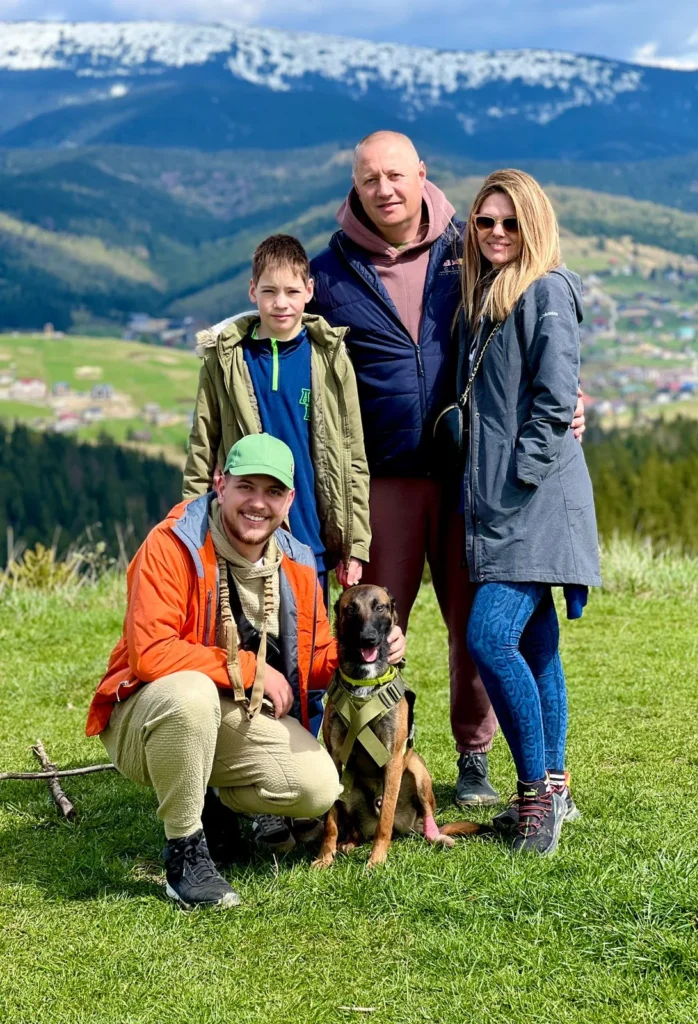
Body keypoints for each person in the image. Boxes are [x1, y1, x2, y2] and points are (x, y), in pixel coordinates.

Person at [309, 130, 586, 806]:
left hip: (472, 477)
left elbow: (535, 333)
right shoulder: (329, 273)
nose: (385, 189)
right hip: (385, 476)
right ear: (355, 185)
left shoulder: (469, 249)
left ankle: (475, 759)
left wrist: (570, 398)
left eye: (396, 175)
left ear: (422, 174)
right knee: (374, 618)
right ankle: (365, 757)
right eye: (370, 178)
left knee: (475, 624)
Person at [86, 433, 406, 909]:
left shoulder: (297, 562)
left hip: (231, 716)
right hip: (147, 717)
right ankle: (186, 853)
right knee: (192, 695)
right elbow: (151, 653)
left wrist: (374, 652)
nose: (258, 503)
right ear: (220, 484)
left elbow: (317, 660)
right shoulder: (172, 545)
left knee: (318, 786)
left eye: (273, 491)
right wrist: (250, 668)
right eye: (246, 487)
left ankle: (216, 800)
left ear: (288, 501)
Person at [457, 170, 601, 856]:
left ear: (534, 225)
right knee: (537, 645)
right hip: (503, 498)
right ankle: (558, 788)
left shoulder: (544, 290)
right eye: (485, 221)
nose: (496, 233)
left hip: (529, 500)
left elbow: (555, 398)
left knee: (490, 638)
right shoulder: (491, 293)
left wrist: (519, 477)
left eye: (510, 222)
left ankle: (535, 796)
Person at [183, 233, 370, 605]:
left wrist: (356, 543)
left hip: (311, 536)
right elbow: (202, 446)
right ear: (253, 290)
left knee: (309, 638)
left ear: (309, 291)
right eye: (269, 291)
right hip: (243, 538)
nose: (280, 303)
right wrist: (189, 532)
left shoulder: (331, 358)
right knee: (243, 636)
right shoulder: (226, 359)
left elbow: (353, 457)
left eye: (292, 291)